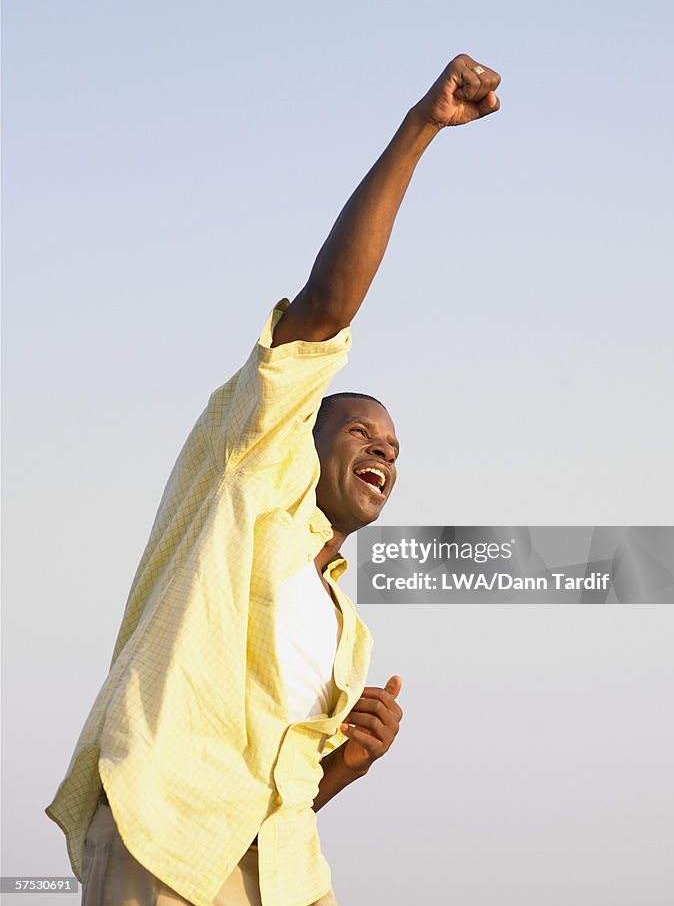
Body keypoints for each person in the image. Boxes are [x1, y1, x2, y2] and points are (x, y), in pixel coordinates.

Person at [45, 53, 501, 906]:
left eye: (395, 450)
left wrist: (349, 762)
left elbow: (288, 798)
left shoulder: (344, 631)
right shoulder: (249, 470)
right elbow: (326, 306)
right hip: (167, 842)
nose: (383, 454)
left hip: (281, 876)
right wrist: (419, 129)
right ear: (301, 433)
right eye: (360, 431)